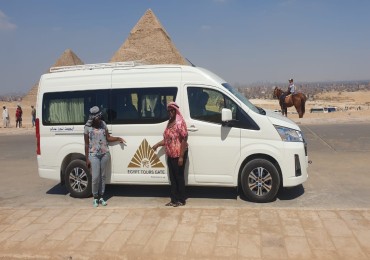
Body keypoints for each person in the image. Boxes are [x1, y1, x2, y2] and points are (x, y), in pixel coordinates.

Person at [84, 106, 125, 207]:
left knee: (102, 177)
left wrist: (118, 138)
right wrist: (87, 159)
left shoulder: (103, 124)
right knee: (95, 177)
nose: (99, 119)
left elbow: (108, 137)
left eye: (99, 116)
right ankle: (95, 197)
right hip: (93, 155)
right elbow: (86, 144)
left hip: (104, 153)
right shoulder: (87, 127)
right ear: (93, 118)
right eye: (97, 117)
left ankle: (101, 197)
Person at [152, 101, 188, 207]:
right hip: (170, 155)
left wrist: (181, 156)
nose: (170, 113)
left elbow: (184, 138)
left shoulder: (179, 122)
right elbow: (167, 140)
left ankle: (181, 200)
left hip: (178, 155)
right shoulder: (169, 123)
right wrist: (157, 145)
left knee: (179, 177)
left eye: (172, 110)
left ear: (176, 111)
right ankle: (173, 199)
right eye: (168, 111)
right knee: (172, 178)